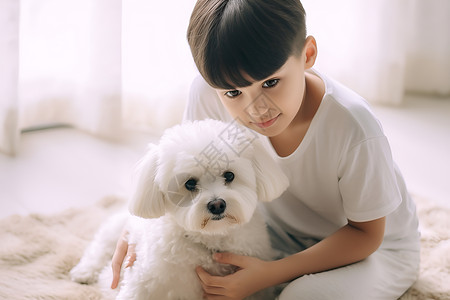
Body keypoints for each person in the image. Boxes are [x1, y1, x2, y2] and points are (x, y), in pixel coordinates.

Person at [112, 0, 420, 299]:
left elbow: (366, 235)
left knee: (302, 296)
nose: (256, 108)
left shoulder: (353, 125)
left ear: (308, 54)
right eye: (233, 92)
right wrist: (138, 232)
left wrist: (272, 273)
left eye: (271, 83)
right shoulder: (209, 95)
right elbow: (184, 178)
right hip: (274, 235)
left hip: (373, 251)